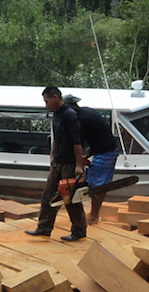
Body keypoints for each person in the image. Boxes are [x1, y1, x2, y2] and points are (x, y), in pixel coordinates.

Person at [25, 85, 87, 241]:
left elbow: (77, 142)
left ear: (55, 97)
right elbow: (56, 138)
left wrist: (78, 164)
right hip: (58, 161)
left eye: (47, 101)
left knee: (70, 198)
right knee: (48, 194)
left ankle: (79, 231)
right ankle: (44, 228)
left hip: (69, 163)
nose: (46, 105)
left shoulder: (70, 115)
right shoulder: (56, 114)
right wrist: (52, 156)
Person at [63, 94, 119, 225]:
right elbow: (98, 132)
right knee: (100, 184)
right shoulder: (86, 111)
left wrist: (78, 163)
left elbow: (76, 143)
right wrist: (92, 149)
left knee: (97, 185)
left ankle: (94, 216)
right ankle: (95, 213)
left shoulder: (77, 119)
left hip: (106, 151)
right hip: (107, 148)